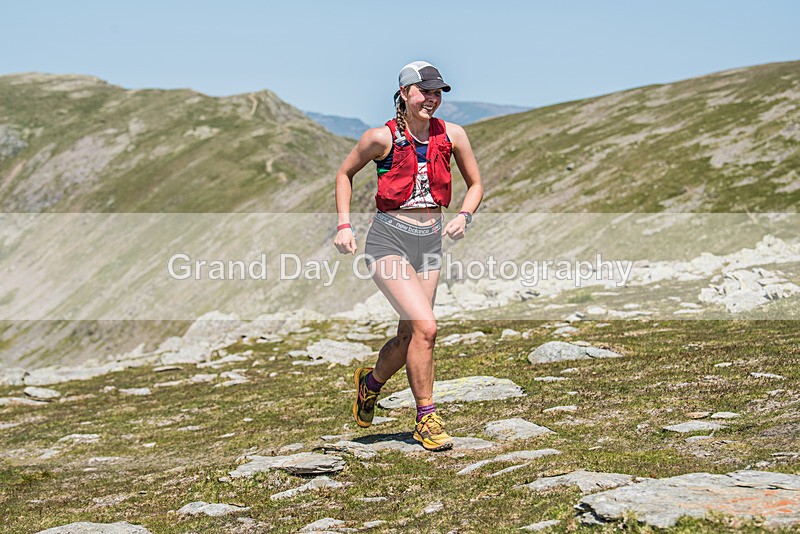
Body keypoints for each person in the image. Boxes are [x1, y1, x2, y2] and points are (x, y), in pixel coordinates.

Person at [334, 61, 483, 451]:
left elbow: (476, 185)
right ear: (405, 93)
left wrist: (464, 216)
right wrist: (344, 225)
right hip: (388, 241)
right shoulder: (379, 138)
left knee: (410, 336)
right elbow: (344, 174)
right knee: (427, 328)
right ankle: (426, 418)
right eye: (425, 92)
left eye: (438, 93)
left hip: (430, 243)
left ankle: (369, 384)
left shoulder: (453, 135)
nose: (432, 99)